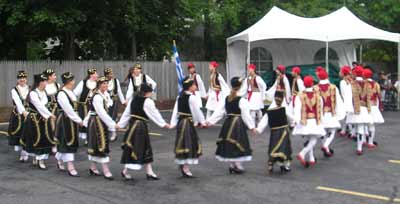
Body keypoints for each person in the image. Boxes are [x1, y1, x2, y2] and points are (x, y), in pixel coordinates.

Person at [117, 83, 170, 181]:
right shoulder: (148, 101)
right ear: (146, 93)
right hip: (140, 128)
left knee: (143, 148)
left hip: (132, 126)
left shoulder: (133, 100)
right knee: (138, 148)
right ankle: (126, 171)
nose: (151, 93)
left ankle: (149, 171)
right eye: (150, 92)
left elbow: (126, 114)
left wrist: (120, 124)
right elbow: (154, 114)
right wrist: (163, 124)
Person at [206, 77, 256, 174]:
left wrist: (209, 121)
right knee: (238, 143)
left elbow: (219, 113)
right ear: (241, 87)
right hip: (237, 124)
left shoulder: (226, 99)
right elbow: (246, 115)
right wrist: (252, 126)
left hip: (228, 123)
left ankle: (232, 164)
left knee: (231, 144)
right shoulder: (241, 100)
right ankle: (236, 164)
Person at [170, 77, 206, 178]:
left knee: (183, 144)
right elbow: (196, 112)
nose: (195, 86)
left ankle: (183, 165)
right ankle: (185, 167)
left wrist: (173, 122)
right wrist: (202, 122)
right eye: (194, 84)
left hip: (181, 122)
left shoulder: (180, 97)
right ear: (190, 87)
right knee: (189, 144)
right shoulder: (191, 98)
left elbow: (175, 111)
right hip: (187, 123)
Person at [20, 74, 57, 169]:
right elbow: (39, 106)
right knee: (36, 139)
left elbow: (48, 103)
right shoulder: (33, 93)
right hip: (34, 120)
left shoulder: (44, 92)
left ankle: (41, 159)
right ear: (40, 83)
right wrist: (50, 115)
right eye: (44, 81)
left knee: (44, 138)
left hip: (44, 119)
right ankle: (38, 158)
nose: (46, 83)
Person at [85, 77, 118, 180]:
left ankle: (93, 167)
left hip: (101, 122)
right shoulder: (97, 97)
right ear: (99, 85)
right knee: (101, 144)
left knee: (97, 144)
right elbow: (101, 113)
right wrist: (113, 124)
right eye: (103, 84)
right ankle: (106, 169)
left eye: (106, 83)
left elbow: (106, 110)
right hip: (96, 122)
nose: (105, 85)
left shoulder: (105, 95)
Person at [256, 90, 294, 173]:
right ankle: (285, 165)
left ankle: (271, 163)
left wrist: (259, 129)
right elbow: (291, 118)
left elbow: (264, 120)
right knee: (285, 148)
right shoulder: (284, 108)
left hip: (274, 132)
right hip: (284, 131)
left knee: (273, 147)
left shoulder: (270, 109)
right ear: (282, 98)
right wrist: (293, 124)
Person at [55, 72, 83, 177]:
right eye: (72, 80)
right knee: (68, 141)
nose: (74, 82)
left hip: (71, 120)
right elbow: (69, 110)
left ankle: (59, 159)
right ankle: (71, 167)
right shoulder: (62, 93)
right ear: (69, 81)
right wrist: (79, 120)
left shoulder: (70, 92)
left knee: (66, 141)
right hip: (65, 121)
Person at [293, 76, 326, 167]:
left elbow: (297, 109)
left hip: (304, 121)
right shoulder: (318, 96)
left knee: (309, 138)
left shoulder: (299, 96)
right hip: (314, 121)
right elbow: (321, 109)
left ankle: (311, 158)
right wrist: (322, 120)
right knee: (314, 139)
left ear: (304, 84)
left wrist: (296, 120)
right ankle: (302, 153)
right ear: (312, 84)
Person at [314, 68, 345, 157]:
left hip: (320, 114)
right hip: (331, 113)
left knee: (322, 131)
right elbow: (338, 101)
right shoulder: (333, 87)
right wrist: (340, 112)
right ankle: (326, 146)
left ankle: (326, 148)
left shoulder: (315, 88)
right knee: (332, 131)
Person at [346, 66, 373, 155]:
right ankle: (359, 147)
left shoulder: (352, 83)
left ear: (355, 73)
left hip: (355, 108)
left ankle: (359, 147)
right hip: (365, 108)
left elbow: (350, 97)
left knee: (358, 127)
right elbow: (369, 98)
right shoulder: (368, 84)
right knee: (362, 127)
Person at [8, 70, 30, 162]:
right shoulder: (14, 90)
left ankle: (26, 151)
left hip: (29, 113)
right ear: (17, 80)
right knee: (20, 132)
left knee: (28, 132)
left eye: (24, 78)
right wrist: (24, 112)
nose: (22, 80)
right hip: (18, 114)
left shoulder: (30, 88)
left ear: (26, 79)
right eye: (20, 78)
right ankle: (23, 152)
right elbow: (18, 103)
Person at [74, 68, 98, 145]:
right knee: (84, 122)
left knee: (93, 121)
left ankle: (91, 138)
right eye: (95, 74)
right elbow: (75, 93)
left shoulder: (98, 83)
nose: (97, 75)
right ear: (91, 75)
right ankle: (87, 139)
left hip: (94, 106)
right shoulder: (83, 83)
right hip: (84, 106)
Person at [363, 68, 384, 148]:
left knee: (364, 124)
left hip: (365, 106)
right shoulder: (376, 84)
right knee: (371, 125)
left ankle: (364, 140)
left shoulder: (362, 83)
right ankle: (370, 142)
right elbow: (379, 96)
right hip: (374, 106)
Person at [104, 67, 126, 142]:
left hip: (114, 102)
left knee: (112, 118)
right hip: (106, 102)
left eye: (112, 73)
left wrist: (123, 101)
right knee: (106, 117)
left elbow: (119, 92)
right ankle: (105, 133)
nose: (111, 75)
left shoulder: (116, 81)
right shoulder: (103, 81)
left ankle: (113, 133)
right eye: (110, 74)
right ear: (106, 75)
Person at [43, 68, 60, 154]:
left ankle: (55, 144)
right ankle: (50, 144)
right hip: (48, 110)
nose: (55, 77)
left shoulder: (57, 85)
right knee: (49, 127)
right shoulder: (43, 86)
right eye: (54, 75)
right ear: (49, 77)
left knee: (57, 127)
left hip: (57, 109)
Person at [338, 66, 355, 138]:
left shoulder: (342, 82)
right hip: (351, 100)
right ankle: (344, 130)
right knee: (347, 116)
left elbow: (343, 93)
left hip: (345, 101)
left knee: (347, 117)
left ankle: (351, 132)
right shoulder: (352, 81)